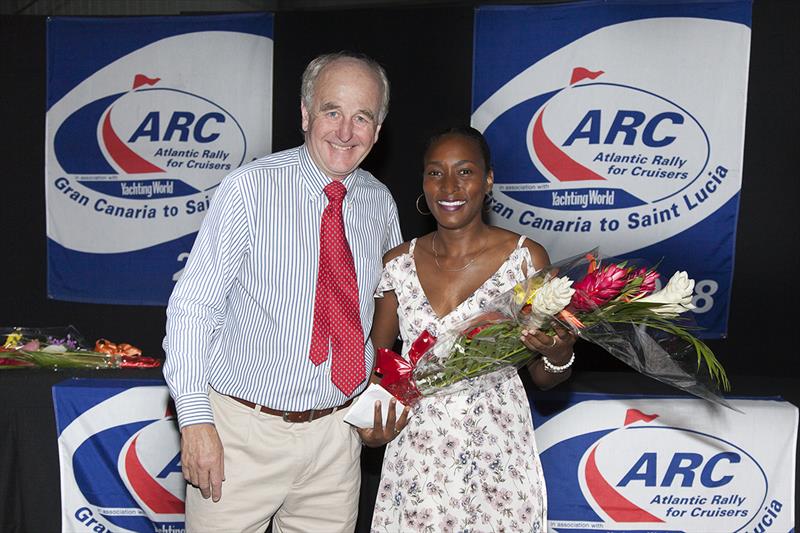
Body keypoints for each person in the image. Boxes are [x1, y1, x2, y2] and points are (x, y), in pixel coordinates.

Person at [162, 52, 402, 533]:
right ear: (305, 114)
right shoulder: (250, 189)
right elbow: (193, 307)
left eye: (363, 118)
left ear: (378, 130)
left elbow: (389, 309)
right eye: (332, 111)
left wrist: (384, 387)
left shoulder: (379, 202)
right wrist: (194, 420)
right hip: (240, 437)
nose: (345, 131)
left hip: (338, 439)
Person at [367, 126, 576, 532]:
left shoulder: (525, 260)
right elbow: (380, 366)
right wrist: (372, 427)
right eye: (435, 172)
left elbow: (544, 376)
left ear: (489, 179)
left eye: (465, 172)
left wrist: (556, 353)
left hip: (496, 455)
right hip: (417, 455)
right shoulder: (398, 265)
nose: (449, 186)